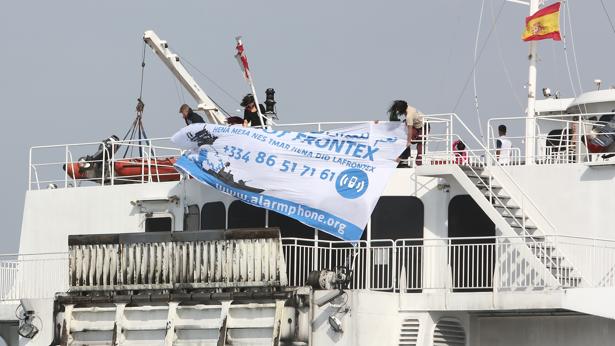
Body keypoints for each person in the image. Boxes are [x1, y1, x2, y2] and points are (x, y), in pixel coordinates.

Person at [388, 100, 426, 167]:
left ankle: (418, 162)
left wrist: (408, 142)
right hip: (415, 124)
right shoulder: (406, 106)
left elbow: (410, 130)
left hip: (423, 126)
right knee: (405, 139)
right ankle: (404, 158)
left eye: (398, 110)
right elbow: (393, 117)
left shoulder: (409, 115)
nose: (398, 112)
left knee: (420, 142)